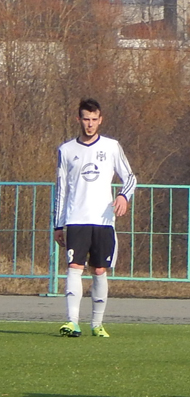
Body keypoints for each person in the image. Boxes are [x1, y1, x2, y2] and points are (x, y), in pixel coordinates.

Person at [54, 98, 137, 338]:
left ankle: (97, 324)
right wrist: (58, 224)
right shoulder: (66, 150)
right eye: (85, 119)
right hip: (76, 219)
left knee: (99, 270)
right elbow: (61, 189)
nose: (89, 124)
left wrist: (123, 196)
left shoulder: (111, 147)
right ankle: (72, 322)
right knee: (74, 267)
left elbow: (130, 178)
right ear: (78, 119)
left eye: (94, 119)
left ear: (100, 120)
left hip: (103, 220)